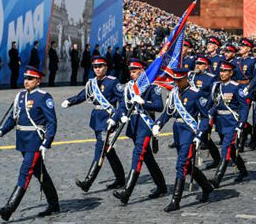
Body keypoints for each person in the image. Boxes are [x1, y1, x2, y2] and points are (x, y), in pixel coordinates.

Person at [0, 66, 59, 221]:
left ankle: (9, 209)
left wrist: (47, 142)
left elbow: (52, 122)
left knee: (25, 172)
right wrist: (0, 131)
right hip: (23, 141)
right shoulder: (20, 96)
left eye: (30, 79)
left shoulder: (44, 97)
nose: (26, 81)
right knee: (40, 173)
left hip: (35, 141)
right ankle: (54, 204)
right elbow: (13, 118)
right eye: (25, 78)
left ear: (38, 81)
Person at [152, 64, 214, 212]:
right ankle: (206, 187)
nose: (177, 83)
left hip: (189, 131)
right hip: (178, 130)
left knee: (181, 164)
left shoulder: (195, 94)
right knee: (187, 165)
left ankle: (176, 200)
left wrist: (200, 134)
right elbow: (168, 112)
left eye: (179, 80)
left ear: (186, 78)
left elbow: (205, 117)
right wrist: (158, 124)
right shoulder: (174, 93)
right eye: (175, 80)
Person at [62, 56, 126, 191]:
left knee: (101, 148)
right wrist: (70, 101)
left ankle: (88, 181)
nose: (97, 69)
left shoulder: (113, 82)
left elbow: (123, 101)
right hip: (97, 119)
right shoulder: (92, 83)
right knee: (108, 150)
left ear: (106, 67)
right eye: (95, 67)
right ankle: (120, 179)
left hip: (108, 119)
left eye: (100, 66)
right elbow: (82, 95)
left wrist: (117, 117)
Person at [110, 59, 167, 205]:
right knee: (147, 157)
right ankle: (161, 186)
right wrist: (115, 118)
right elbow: (123, 106)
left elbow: (159, 106)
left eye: (135, 70)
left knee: (138, 155)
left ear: (142, 71)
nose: (132, 73)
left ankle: (127, 192)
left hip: (145, 126)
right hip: (134, 126)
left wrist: (144, 102)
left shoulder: (152, 86)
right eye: (131, 70)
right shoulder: (129, 86)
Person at [209, 61, 250, 186]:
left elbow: (244, 107)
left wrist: (241, 123)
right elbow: (215, 104)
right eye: (221, 71)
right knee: (231, 149)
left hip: (232, 122)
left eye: (225, 71)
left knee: (226, 149)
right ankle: (243, 170)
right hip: (221, 122)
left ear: (231, 73)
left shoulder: (236, 87)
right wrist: (210, 114)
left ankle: (217, 178)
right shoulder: (216, 86)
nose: (222, 73)